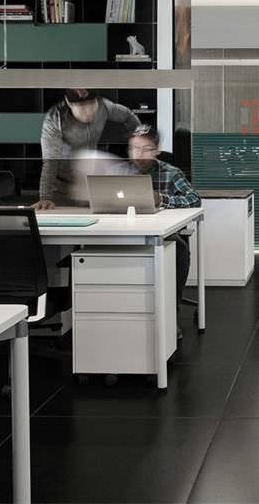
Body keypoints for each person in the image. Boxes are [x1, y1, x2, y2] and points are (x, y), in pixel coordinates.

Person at [122, 127, 201, 338]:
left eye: (146, 148)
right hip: (123, 232)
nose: (139, 154)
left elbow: (194, 199)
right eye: (135, 148)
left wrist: (162, 199)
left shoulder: (170, 172)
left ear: (157, 150)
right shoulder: (119, 171)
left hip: (161, 233)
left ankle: (170, 314)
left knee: (179, 249)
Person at [33, 89, 142, 210]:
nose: (88, 111)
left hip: (90, 179)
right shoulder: (54, 120)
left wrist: (139, 139)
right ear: (69, 104)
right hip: (61, 184)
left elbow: (128, 116)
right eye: (81, 106)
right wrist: (45, 197)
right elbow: (50, 162)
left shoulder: (105, 106)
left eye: (91, 104)